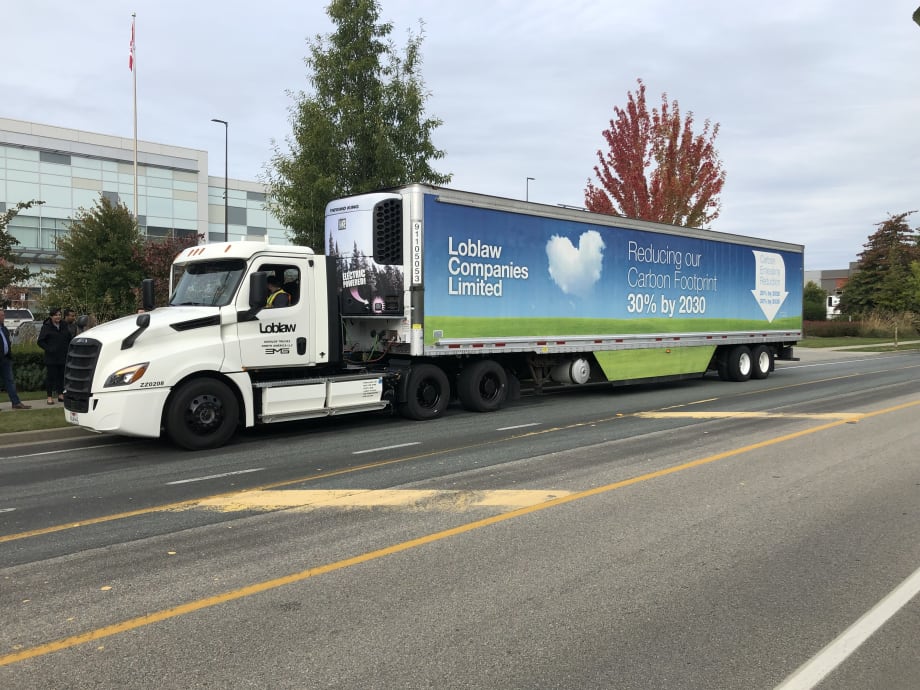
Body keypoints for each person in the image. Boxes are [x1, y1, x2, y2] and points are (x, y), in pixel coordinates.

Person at [37, 307, 73, 405]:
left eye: (59, 315)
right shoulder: (46, 326)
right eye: (56, 315)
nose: (58, 317)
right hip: (51, 357)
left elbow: (69, 337)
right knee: (51, 377)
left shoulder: (64, 325)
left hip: (63, 356)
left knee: (61, 376)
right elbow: (40, 341)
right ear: (51, 316)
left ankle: (60, 395)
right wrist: (49, 349)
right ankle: (49, 397)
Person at [0, 307, 32, 410]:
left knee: (10, 381)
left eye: (3, 315)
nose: (3, 317)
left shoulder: (3, 329)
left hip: (5, 359)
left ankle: (16, 403)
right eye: (2, 315)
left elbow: (7, 343)